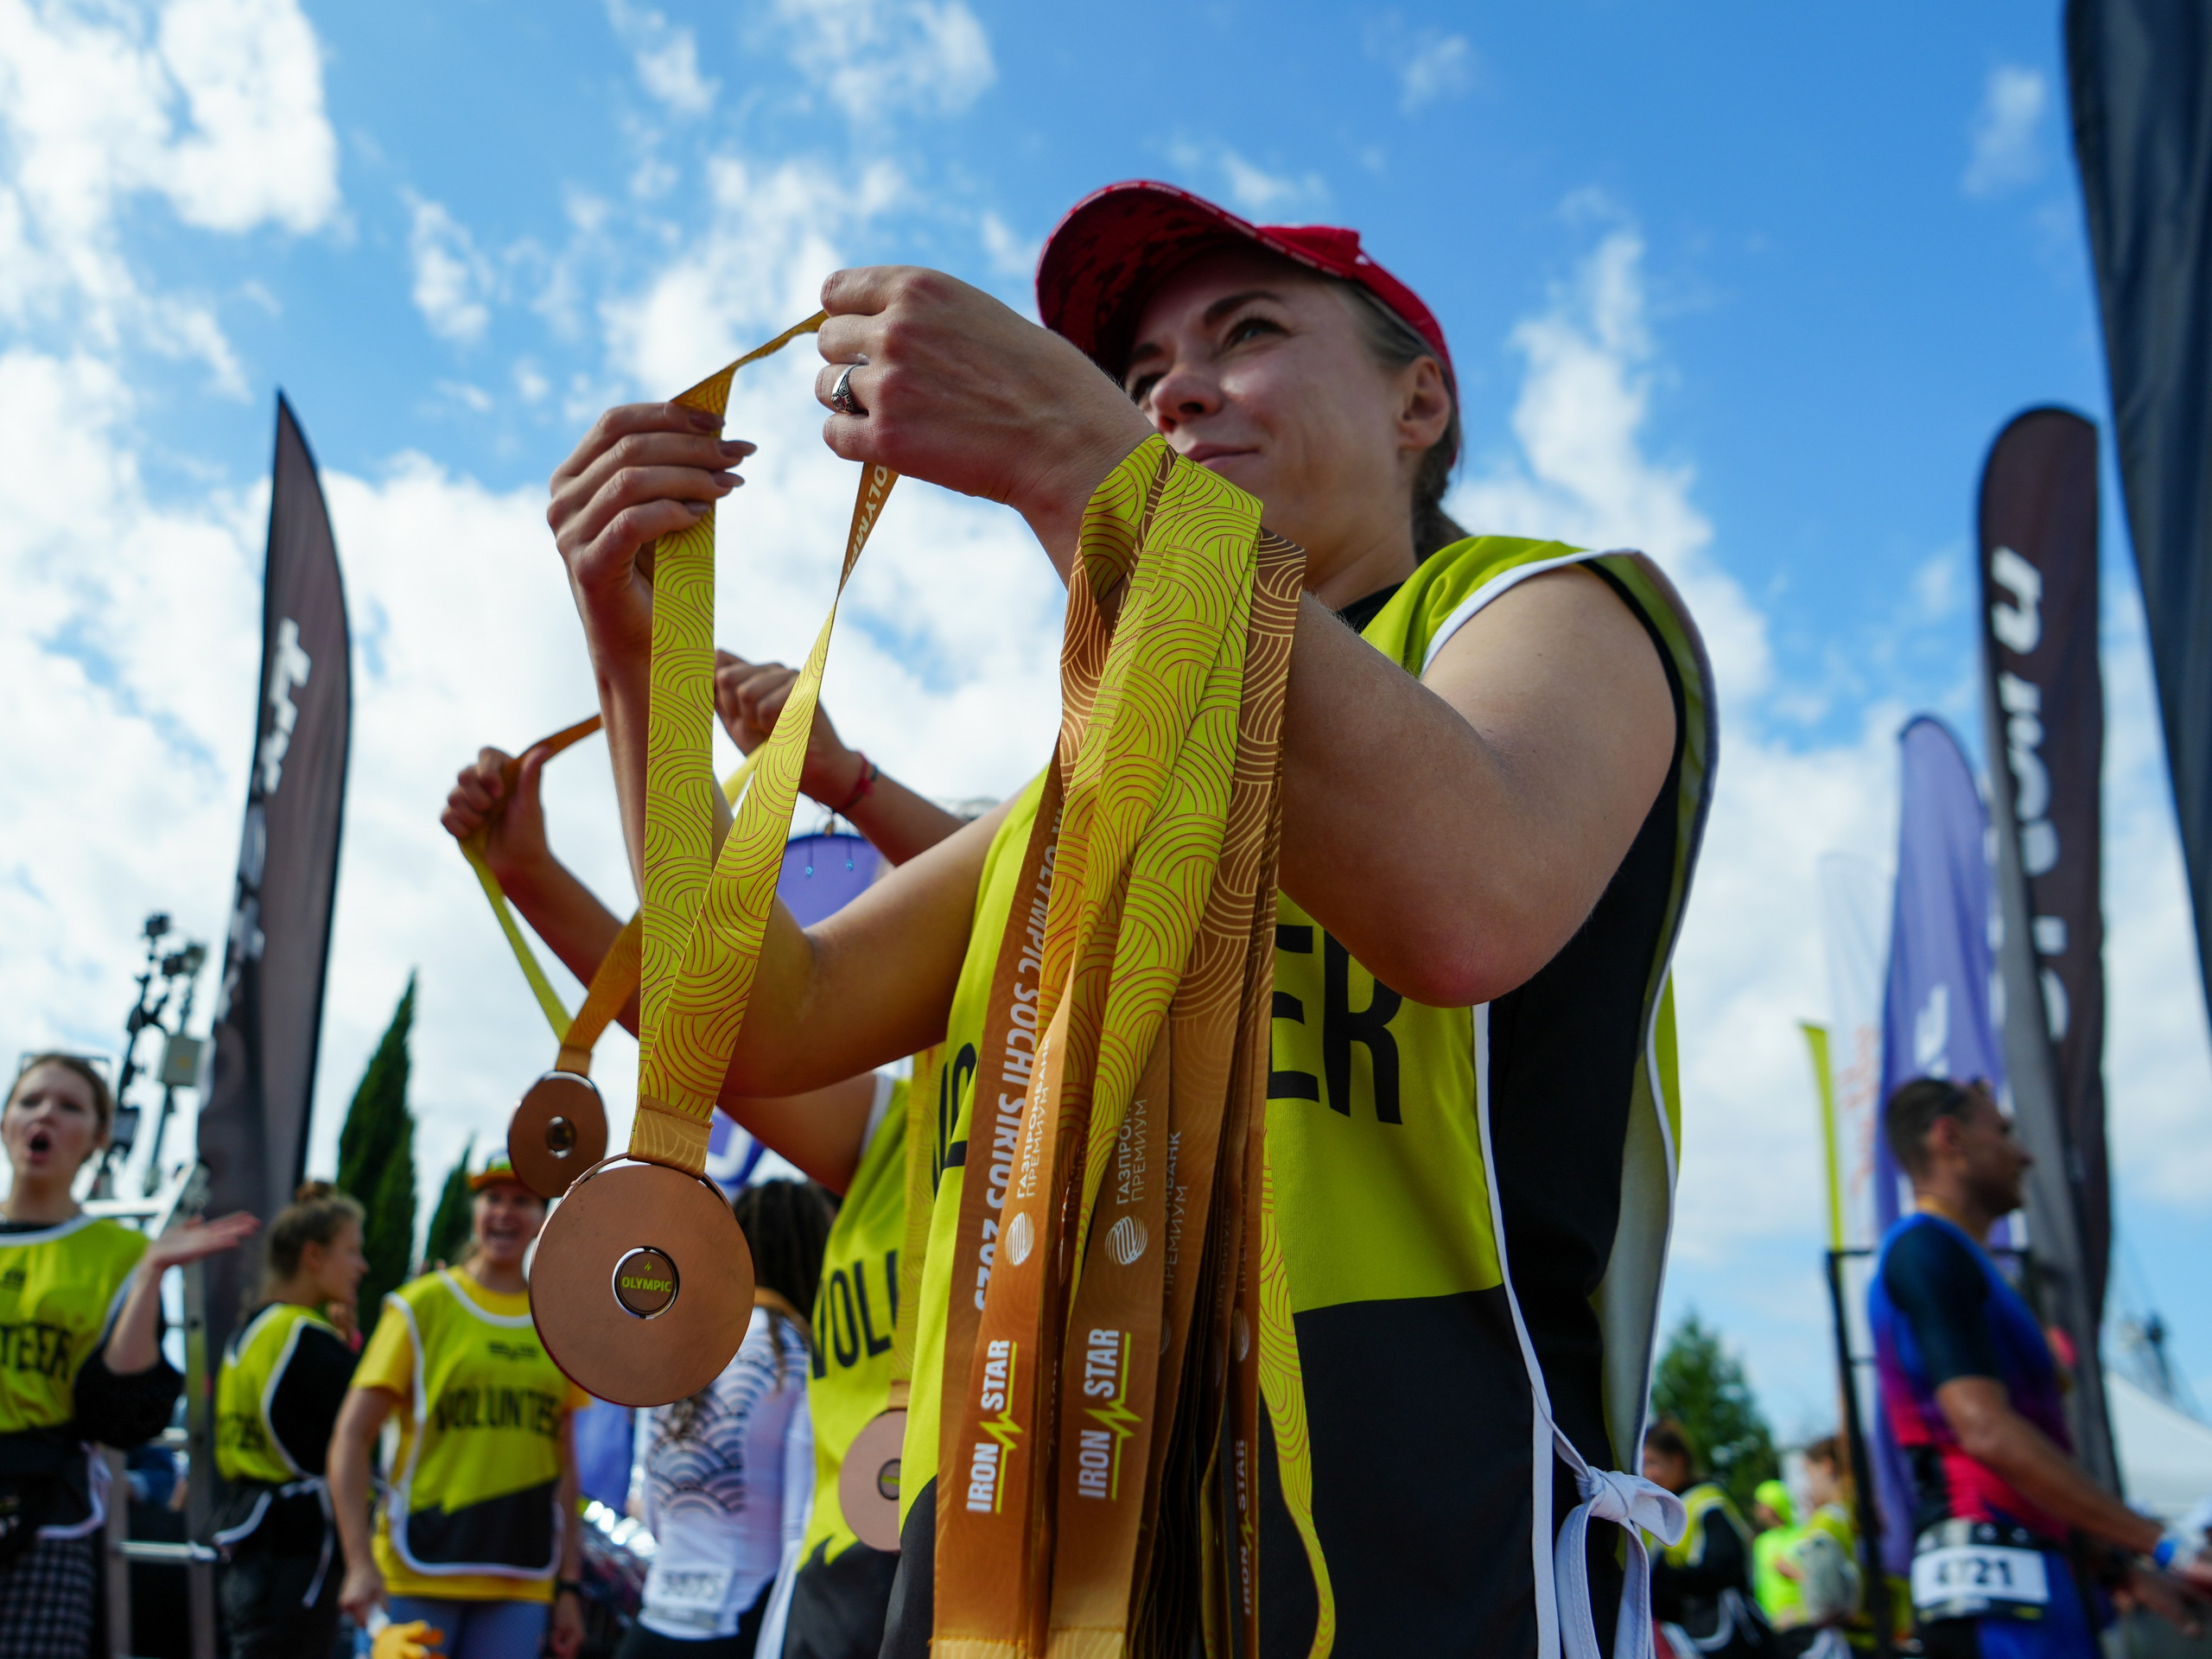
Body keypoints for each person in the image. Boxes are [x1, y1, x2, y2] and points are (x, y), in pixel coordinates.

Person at [548, 177, 1718, 1654]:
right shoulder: (1088, 788)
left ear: (1419, 401)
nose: (1177, 394)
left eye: (1243, 333)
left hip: (1407, 1579)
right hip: (995, 1576)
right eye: (1141, 376)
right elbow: (760, 1023)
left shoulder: (1536, 609)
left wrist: (1078, 455)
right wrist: (637, 664)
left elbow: (1465, 896)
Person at [442, 660, 963, 1659]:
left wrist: (855, 784)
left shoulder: (1089, 1147)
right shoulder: (891, 1131)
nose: (891, 949)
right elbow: (702, 1029)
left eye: (926, 921)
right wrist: (531, 874)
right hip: (828, 1611)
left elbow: (1039, 899)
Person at [1869, 1077, 2212, 1658]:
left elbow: (2024, 1456)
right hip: (1989, 1596)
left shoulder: (1970, 1264)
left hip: (2035, 1583)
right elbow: (1985, 1431)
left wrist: (2112, 1566)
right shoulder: (1925, 1250)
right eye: (2002, 1133)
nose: (2024, 1155)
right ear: (1949, 1138)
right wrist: (2163, 1545)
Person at [0, 1053, 257, 1658]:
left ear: (96, 1138)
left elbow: (121, 1417)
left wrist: (151, 1276)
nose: (46, 1116)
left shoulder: (119, 1254)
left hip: (43, 1523)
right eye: (32, 1101)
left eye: (70, 1107)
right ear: (7, 1120)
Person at [329, 1152, 588, 1659]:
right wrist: (358, 1562)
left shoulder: (559, 1325)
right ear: (474, 1208)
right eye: (493, 1198)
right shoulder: (422, 1304)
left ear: (543, 1216)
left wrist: (570, 1589)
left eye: (523, 1201)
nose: (505, 1213)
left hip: (520, 1577)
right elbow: (351, 1436)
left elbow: (566, 1467)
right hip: (417, 1568)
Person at [619, 1179, 830, 1656]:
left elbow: (651, 1507)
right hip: (746, 1625)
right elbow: (802, 1527)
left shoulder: (677, 1345)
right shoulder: (798, 1354)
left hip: (651, 1627)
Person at [213, 1179, 368, 1657]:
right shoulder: (305, 1336)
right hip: (294, 1560)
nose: (362, 1266)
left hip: (248, 1547)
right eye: (352, 1251)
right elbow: (369, 1427)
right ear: (313, 1257)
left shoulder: (252, 1329)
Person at [1644, 1420, 1770, 1655]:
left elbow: (1724, 1566)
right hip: (1683, 1633)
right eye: (1642, 1465)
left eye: (1653, 1462)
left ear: (1678, 1461)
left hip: (1716, 1635)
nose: (1646, 1473)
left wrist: (1668, 1580)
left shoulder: (1706, 1501)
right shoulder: (1662, 1509)